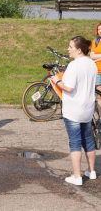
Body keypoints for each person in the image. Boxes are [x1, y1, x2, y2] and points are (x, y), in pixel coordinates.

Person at [51, 36, 97, 186]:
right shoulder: (92, 64)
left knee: (75, 142)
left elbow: (69, 87)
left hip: (74, 109)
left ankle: (77, 177)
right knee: (88, 140)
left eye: (70, 47)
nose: (68, 49)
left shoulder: (74, 65)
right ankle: (91, 171)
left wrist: (56, 81)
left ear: (79, 49)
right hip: (88, 108)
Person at [90, 20, 101, 116]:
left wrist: (97, 58)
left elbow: (95, 56)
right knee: (100, 96)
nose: (100, 31)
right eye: (99, 29)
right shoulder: (95, 41)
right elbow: (91, 56)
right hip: (98, 72)